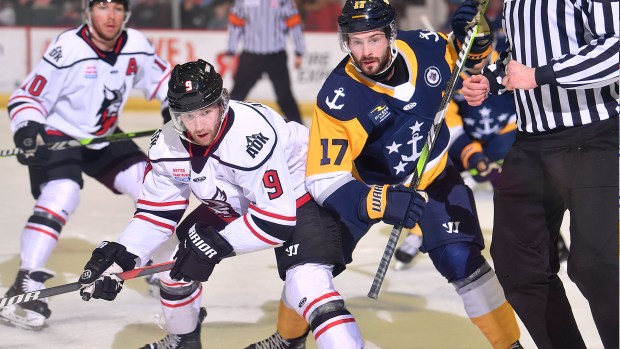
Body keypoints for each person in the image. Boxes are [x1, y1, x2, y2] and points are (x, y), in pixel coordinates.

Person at [245, 1, 525, 349]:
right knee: (309, 261)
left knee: (465, 264)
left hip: (433, 177)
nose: (365, 52)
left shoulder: (426, 46)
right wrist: (378, 201)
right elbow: (322, 178)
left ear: (391, 35)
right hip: (363, 187)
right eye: (355, 42)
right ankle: (288, 340)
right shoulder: (338, 97)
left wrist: (478, 40)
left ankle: (510, 345)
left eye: (374, 40)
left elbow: (469, 58)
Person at [77, 59, 364, 349]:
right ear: (175, 115)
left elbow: (276, 220)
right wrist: (122, 258)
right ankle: (183, 341)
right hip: (240, 199)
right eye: (188, 116)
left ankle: (299, 340)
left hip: (298, 192)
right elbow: (155, 213)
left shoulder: (251, 134)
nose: (200, 126)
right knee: (169, 262)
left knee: (307, 284)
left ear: (222, 103)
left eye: (206, 111)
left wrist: (216, 243)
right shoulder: (166, 146)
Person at [0, 0, 171, 331]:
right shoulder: (69, 47)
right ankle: (26, 281)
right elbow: (26, 98)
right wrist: (27, 130)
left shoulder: (136, 44)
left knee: (151, 188)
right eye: (103, 7)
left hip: (104, 136)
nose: (111, 15)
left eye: (118, 8)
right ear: (87, 12)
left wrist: (171, 109)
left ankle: (158, 267)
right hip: (58, 133)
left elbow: (164, 80)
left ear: (127, 14)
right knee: (62, 193)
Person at [461, 0, 619, 348]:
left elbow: (615, 47)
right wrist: (491, 80)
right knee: (519, 267)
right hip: (530, 145)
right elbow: (521, 56)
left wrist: (539, 76)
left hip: (593, 137)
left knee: (594, 266)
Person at [225, 0, 305, 124]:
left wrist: (299, 51)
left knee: (285, 97)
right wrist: (231, 51)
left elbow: (294, 24)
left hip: (276, 55)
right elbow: (235, 25)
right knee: (237, 96)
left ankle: (301, 129)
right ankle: (223, 124)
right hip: (251, 55)